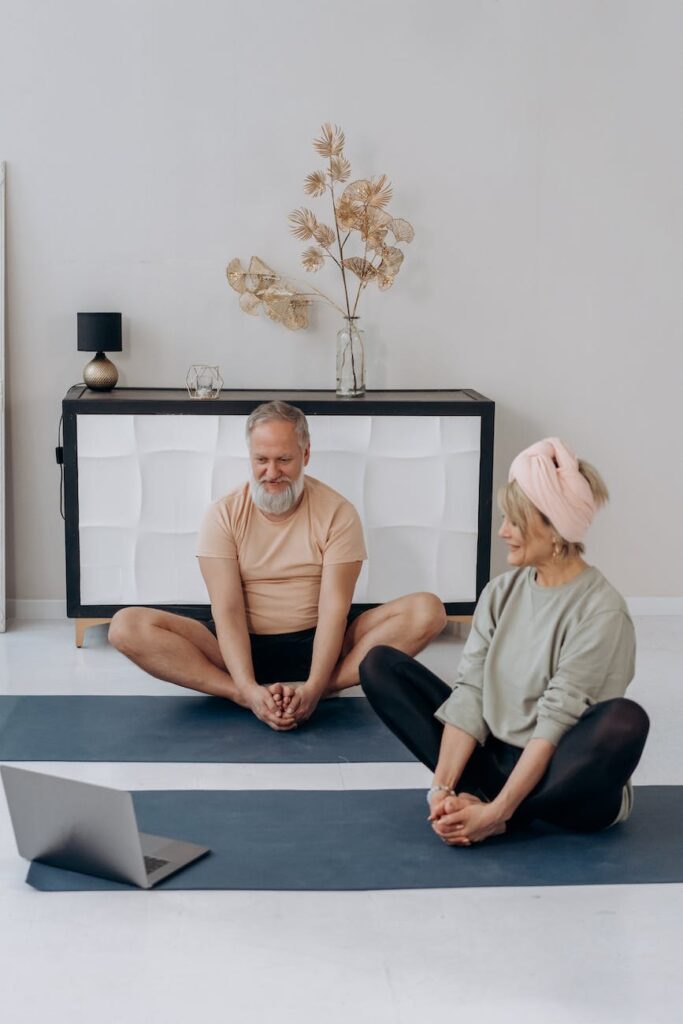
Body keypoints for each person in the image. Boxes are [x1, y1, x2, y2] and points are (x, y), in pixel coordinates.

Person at [359, 437, 650, 844]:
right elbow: (471, 693)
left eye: (514, 521)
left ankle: (507, 816)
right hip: (496, 761)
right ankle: (484, 803)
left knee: (625, 721)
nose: (503, 532)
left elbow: (555, 724)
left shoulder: (602, 611)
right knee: (379, 665)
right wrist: (440, 790)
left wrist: (498, 813)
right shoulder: (500, 592)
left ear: (554, 529)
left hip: (563, 781)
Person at [109, 401, 447, 732]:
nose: (272, 473)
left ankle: (323, 687)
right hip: (237, 646)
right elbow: (227, 610)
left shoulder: (338, 513)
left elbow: (334, 610)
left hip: (318, 642)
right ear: (251, 457)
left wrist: (314, 688)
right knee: (125, 627)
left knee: (427, 611)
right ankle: (239, 694)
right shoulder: (223, 513)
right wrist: (247, 687)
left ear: (306, 455)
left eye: (284, 460)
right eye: (262, 460)